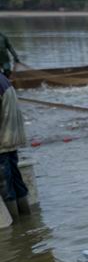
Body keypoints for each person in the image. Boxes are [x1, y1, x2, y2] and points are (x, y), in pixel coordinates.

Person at [0, 72, 30, 219]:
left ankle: (14, 225)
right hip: (11, 139)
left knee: (5, 186)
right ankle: (26, 219)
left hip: (2, 142)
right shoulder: (3, 79)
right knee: (17, 182)